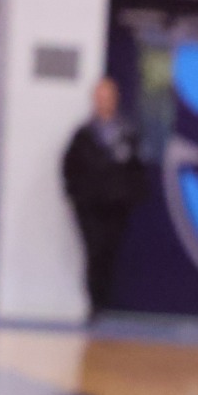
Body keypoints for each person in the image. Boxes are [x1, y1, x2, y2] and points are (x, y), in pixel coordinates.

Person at [62, 77, 147, 319]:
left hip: (117, 205)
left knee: (110, 251)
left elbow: (138, 169)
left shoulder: (128, 133)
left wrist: (132, 195)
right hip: (90, 206)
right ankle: (94, 302)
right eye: (100, 97)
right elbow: (70, 168)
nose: (104, 102)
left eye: (108, 97)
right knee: (94, 250)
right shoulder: (84, 135)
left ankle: (106, 300)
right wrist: (77, 195)